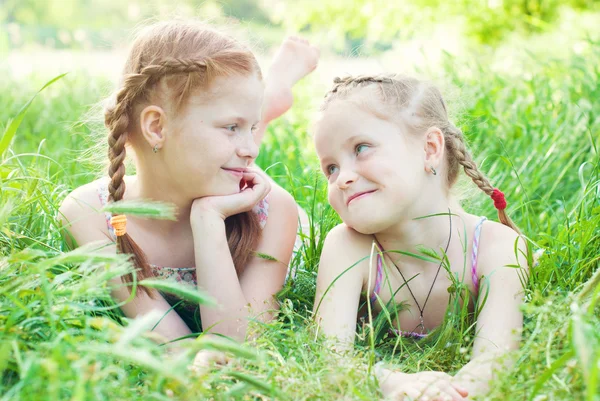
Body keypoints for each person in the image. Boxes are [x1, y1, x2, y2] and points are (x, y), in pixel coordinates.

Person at [59, 20, 319, 346]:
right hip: (214, 171)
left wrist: (208, 221)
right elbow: (177, 348)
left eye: (250, 129)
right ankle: (262, 107)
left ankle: (266, 99)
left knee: (234, 156)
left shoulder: (275, 209)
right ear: (156, 127)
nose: (252, 148)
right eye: (231, 126)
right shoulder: (90, 214)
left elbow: (240, 346)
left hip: (243, 194)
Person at [312, 75, 528, 400]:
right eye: (330, 168)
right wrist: (389, 381)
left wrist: (450, 394)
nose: (342, 178)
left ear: (430, 149)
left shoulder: (497, 247)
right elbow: (329, 355)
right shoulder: (349, 247)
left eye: (361, 148)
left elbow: (496, 358)